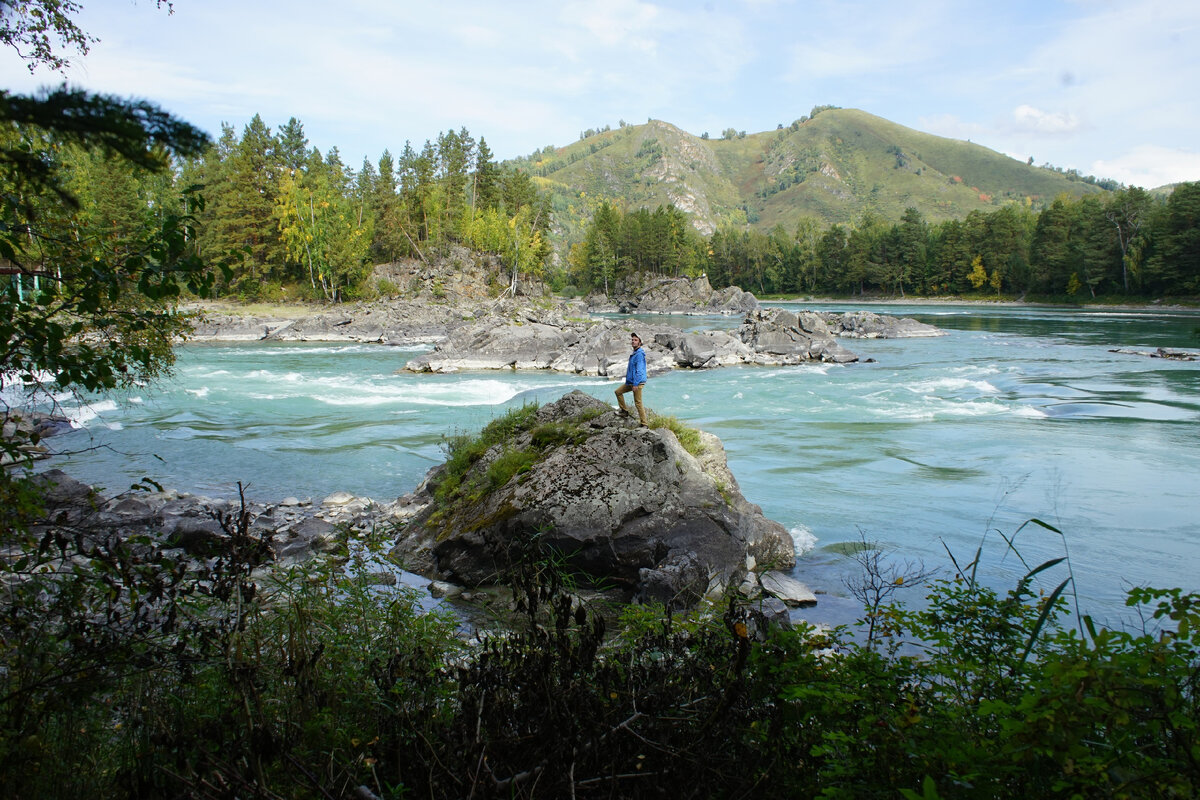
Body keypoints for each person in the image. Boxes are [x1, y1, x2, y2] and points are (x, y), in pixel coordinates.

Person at [615, 332, 649, 425]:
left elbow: (639, 371)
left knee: (638, 403)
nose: (633, 341)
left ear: (640, 343)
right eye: (632, 340)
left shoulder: (639, 354)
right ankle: (624, 411)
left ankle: (644, 424)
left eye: (636, 340)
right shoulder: (635, 353)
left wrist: (635, 384)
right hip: (631, 382)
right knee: (618, 392)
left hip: (637, 383)